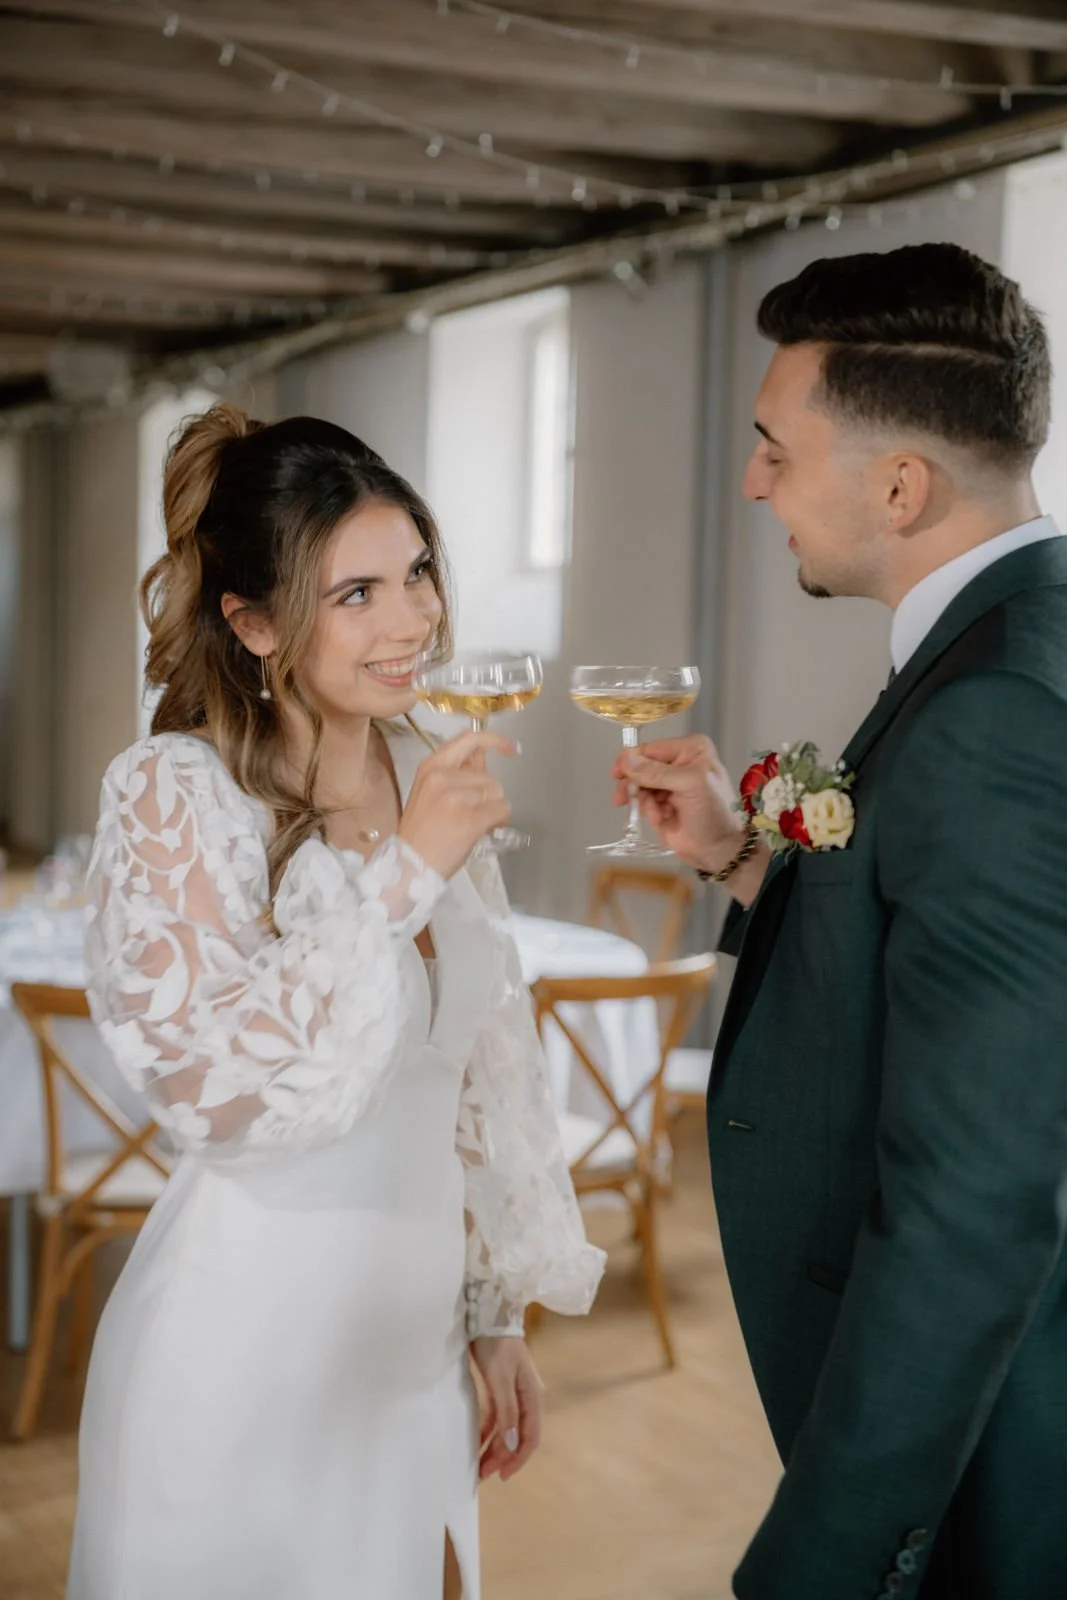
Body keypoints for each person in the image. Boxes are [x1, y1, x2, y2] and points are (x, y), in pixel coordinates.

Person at [69, 405, 604, 1600]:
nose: (411, 618)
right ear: (253, 622)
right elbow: (219, 1098)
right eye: (354, 592)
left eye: (414, 573)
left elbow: (476, 1064)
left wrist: (490, 1307)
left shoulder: (427, 768)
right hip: (241, 1355)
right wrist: (404, 871)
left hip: (409, 1363)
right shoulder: (174, 789)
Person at [615, 244, 1067, 1599]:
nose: (752, 482)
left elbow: (974, 1200)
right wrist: (747, 862)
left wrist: (819, 1555)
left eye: (771, 447)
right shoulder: (1011, 643)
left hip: (996, 1452)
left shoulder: (990, 711)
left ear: (894, 484)